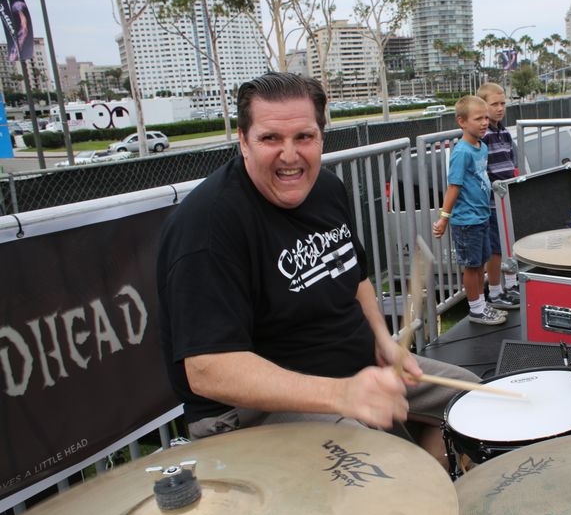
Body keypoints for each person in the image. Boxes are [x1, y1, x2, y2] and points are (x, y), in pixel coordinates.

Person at [156, 72, 478, 465]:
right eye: (270, 138)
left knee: (475, 402)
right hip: (250, 409)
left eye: (304, 137)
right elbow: (209, 370)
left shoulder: (325, 188)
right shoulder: (208, 226)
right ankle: (417, 485)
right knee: (382, 467)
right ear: (243, 140)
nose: (289, 155)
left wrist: (384, 341)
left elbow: (355, 277)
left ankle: (437, 485)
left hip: (354, 369)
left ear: (321, 138)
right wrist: (341, 394)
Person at [432, 95, 507, 326]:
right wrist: (444, 218)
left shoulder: (481, 147)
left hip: (482, 216)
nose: (484, 123)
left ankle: (482, 305)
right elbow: (453, 187)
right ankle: (476, 309)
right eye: (478, 119)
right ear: (462, 122)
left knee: (481, 263)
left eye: (485, 118)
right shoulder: (462, 152)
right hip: (467, 220)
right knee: (472, 266)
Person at [477, 82, 520, 311]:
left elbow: (512, 161)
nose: (500, 108)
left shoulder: (504, 132)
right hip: (493, 202)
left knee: (509, 245)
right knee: (495, 249)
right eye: (494, 104)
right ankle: (494, 292)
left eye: (503, 103)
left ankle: (511, 284)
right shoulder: (483, 136)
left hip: (507, 200)